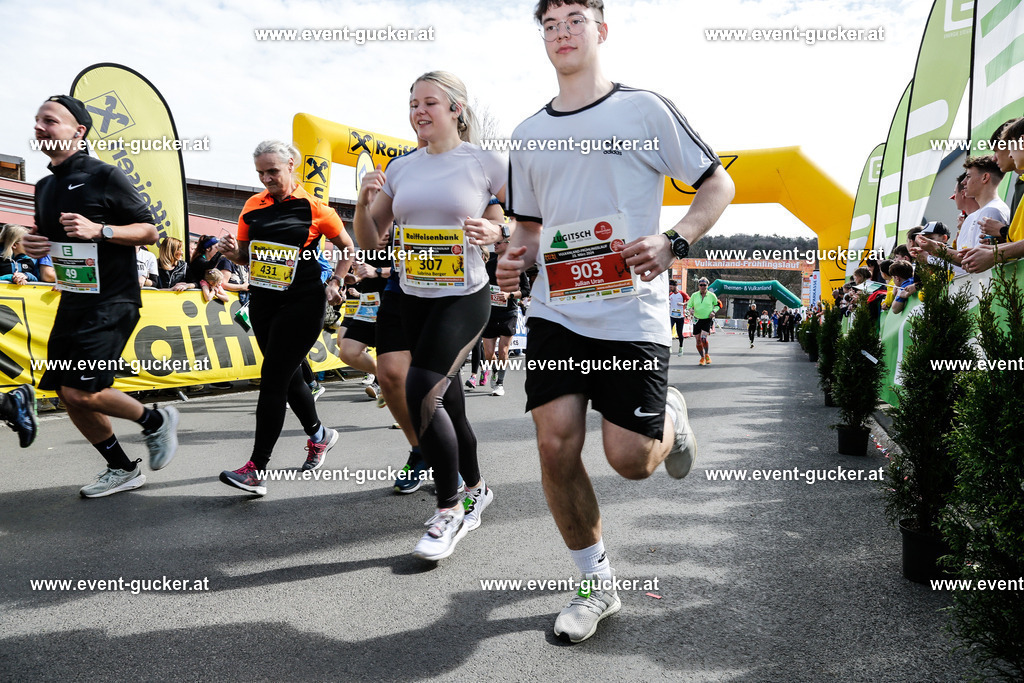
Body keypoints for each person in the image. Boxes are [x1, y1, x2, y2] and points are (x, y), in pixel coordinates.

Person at [497, 0, 734, 643]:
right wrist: (514, 259)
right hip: (556, 309)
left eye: (574, 19)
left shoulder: (644, 111)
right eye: (549, 25)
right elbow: (527, 225)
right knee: (555, 443)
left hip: (631, 314)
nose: (562, 33)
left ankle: (672, 418)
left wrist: (674, 240)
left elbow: (717, 185)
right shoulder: (526, 134)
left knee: (629, 459)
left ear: (600, 30)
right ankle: (595, 584)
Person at [355, 71, 506, 560]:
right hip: (412, 294)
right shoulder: (401, 169)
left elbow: (526, 217)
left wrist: (496, 231)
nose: (419, 111)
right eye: (413, 103)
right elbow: (368, 237)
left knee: (421, 389)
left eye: (430, 103)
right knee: (449, 404)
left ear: (456, 109)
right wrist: (363, 200)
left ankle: (449, 507)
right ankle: (478, 486)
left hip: (464, 295)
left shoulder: (486, 161)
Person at [20, 94, 179, 497]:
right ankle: (122, 468)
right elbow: (50, 242)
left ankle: (156, 421)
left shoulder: (104, 175)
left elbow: (149, 232)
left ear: (79, 130)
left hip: (113, 300)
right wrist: (34, 246)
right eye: (38, 120)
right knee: (68, 393)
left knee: (82, 390)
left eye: (50, 120)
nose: (40, 127)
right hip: (72, 299)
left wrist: (101, 230)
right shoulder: (43, 186)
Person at [215, 140, 354, 495]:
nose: (266, 178)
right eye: (260, 173)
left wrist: (336, 279)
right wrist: (234, 253)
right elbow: (246, 257)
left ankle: (256, 469)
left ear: (291, 165)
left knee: (273, 377)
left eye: (272, 171)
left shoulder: (316, 209)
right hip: (263, 302)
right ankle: (320, 437)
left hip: (303, 302)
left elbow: (348, 248)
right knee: (289, 376)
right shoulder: (251, 206)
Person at [482, 234, 530, 396]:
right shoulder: (490, 264)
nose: (494, 245)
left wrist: (509, 295)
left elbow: (525, 290)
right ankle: (495, 369)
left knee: (503, 351)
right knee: (489, 353)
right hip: (490, 312)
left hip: (508, 313)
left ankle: (500, 383)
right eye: (494, 242)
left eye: (498, 242)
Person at [687, 277, 721, 364]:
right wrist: (690, 310)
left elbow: (718, 305)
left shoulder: (712, 295)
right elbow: (689, 305)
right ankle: (702, 357)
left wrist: (714, 312)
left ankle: (707, 354)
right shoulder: (694, 295)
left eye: (704, 285)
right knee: (698, 340)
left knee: (703, 339)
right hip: (696, 319)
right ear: (698, 286)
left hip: (707, 319)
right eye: (701, 285)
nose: (702, 287)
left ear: (707, 286)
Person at [668, 279, 688, 356]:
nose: (670, 288)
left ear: (675, 286)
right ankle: (669, 346)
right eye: (670, 287)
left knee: (679, 333)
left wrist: (683, 303)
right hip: (671, 316)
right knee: (668, 331)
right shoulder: (670, 294)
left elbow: (690, 301)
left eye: (671, 287)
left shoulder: (682, 294)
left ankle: (681, 347)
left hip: (680, 317)